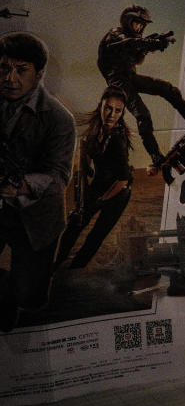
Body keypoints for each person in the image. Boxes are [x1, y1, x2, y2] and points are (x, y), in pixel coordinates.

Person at [0, 32, 76, 331]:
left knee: (30, 302)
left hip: (36, 217)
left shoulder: (59, 119)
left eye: (21, 69)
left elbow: (58, 177)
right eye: (4, 67)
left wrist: (20, 186)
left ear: (39, 74)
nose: (10, 78)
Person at [97, 4, 185, 172]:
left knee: (167, 88)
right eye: (137, 23)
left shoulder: (132, 39)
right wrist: (149, 43)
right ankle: (156, 156)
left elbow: (137, 57)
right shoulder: (115, 34)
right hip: (118, 81)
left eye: (142, 25)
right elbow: (128, 44)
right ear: (128, 21)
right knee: (143, 115)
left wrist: (153, 45)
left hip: (129, 77)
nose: (140, 27)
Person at [55, 86, 133, 269]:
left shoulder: (117, 140)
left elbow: (123, 179)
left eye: (117, 111)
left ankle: (76, 268)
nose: (111, 114)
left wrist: (100, 201)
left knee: (96, 235)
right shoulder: (94, 130)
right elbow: (87, 158)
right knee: (74, 224)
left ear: (122, 113)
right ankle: (55, 263)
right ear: (101, 106)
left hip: (118, 192)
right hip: (99, 184)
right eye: (108, 108)